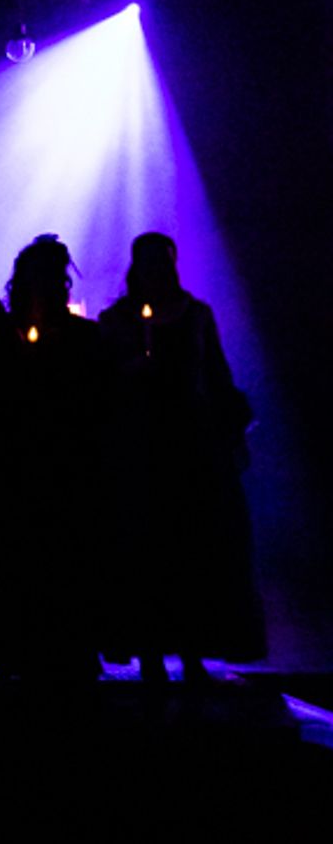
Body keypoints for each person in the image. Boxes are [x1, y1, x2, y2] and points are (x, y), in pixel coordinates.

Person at [97, 232, 264, 682]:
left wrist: (232, 433)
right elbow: (99, 386)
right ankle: (150, 652)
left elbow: (217, 375)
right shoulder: (116, 321)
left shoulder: (196, 316)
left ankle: (191, 652)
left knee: (194, 551)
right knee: (148, 552)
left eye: (162, 261)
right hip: (142, 449)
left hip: (192, 448)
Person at [0, 234, 104, 679]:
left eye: (52, 279)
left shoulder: (82, 338)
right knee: (16, 558)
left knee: (60, 561)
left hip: (64, 470)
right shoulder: (3, 337)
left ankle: (66, 648)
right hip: (13, 469)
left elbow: (47, 386)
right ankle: (19, 645)